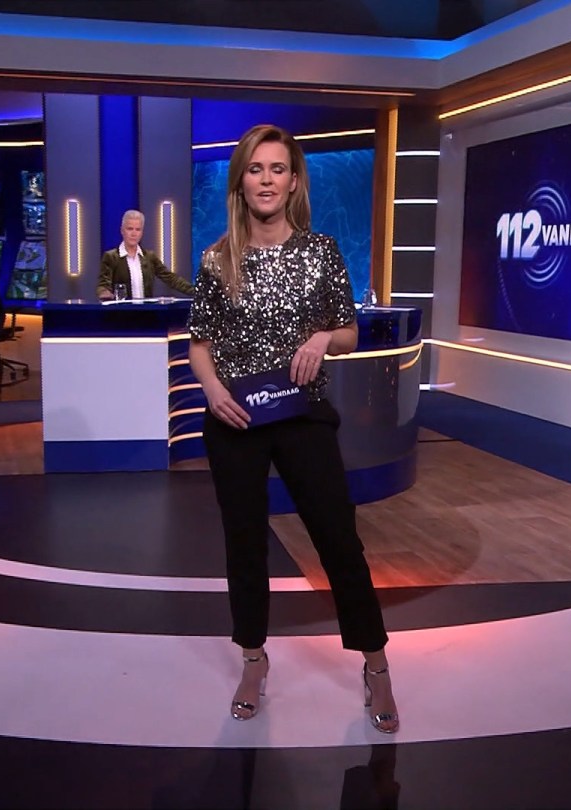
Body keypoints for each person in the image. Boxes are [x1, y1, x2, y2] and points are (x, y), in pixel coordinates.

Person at [186, 124, 399, 734]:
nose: (266, 180)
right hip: (235, 418)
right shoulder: (217, 259)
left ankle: (376, 664)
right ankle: (253, 661)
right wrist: (213, 390)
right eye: (256, 169)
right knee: (245, 545)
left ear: (294, 182)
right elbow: (200, 345)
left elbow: (349, 332)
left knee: (338, 539)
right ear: (240, 181)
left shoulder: (321, 252)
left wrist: (321, 337)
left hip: (302, 415)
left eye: (277, 169)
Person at [96, 210, 195, 300]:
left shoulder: (149, 257)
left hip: (146, 312)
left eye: (138, 229)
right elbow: (104, 284)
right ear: (122, 230)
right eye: (130, 229)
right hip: (121, 312)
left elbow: (171, 279)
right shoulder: (111, 257)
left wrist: (196, 291)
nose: (134, 234)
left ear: (142, 233)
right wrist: (104, 292)